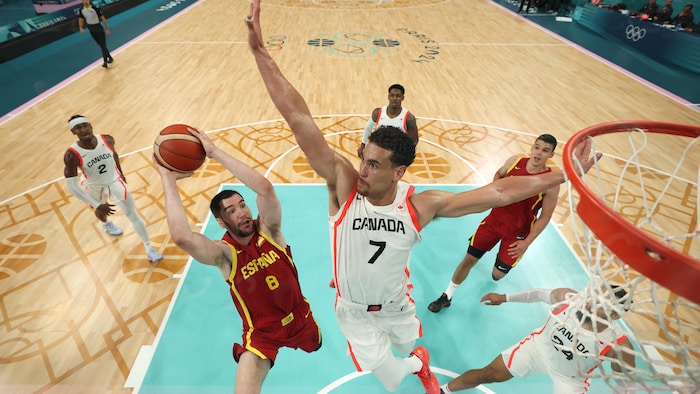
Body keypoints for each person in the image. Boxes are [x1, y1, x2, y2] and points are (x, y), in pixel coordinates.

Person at [245, 1, 601, 393]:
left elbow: (498, 192)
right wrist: (261, 54)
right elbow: (299, 119)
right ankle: (416, 365)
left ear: (399, 172)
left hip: (399, 303)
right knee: (389, 378)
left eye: (375, 165)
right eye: (364, 160)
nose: (363, 170)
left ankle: (416, 356)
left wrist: (564, 174)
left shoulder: (420, 204)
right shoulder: (345, 186)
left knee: (404, 343)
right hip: (354, 312)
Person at [154, 127, 322, 393]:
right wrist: (167, 177)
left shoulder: (270, 231)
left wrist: (215, 153)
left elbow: (265, 189)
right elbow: (182, 237)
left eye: (242, 205)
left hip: (301, 319)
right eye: (232, 211)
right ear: (221, 222)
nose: (242, 212)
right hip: (262, 336)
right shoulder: (224, 254)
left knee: (316, 345)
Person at [427, 134, 560, 313]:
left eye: (545, 150)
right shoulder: (515, 161)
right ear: (532, 147)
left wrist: (526, 243)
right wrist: (494, 192)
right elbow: (500, 173)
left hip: (517, 234)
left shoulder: (550, 182)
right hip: (493, 223)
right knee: (469, 259)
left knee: (497, 276)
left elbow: (545, 216)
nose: (538, 153)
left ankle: (500, 264)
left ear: (551, 155)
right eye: (537, 147)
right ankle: (447, 296)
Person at [438, 286, 635, 393]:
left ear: (616, 315)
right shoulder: (570, 299)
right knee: (489, 374)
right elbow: (539, 294)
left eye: (601, 304)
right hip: (538, 349)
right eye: (594, 297)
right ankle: (442, 391)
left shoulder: (618, 346)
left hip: (569, 378)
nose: (591, 304)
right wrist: (504, 297)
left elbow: (626, 381)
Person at [63, 115, 163, 263]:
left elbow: (114, 154)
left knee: (132, 213)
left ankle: (149, 248)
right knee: (100, 212)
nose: (83, 129)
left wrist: (120, 173)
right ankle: (105, 223)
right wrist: (98, 205)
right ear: (73, 132)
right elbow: (71, 186)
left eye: (85, 125)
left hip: (114, 182)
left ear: (91, 125)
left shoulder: (107, 139)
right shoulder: (72, 154)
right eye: (78, 128)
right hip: (93, 186)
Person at [357, 84, 419, 158]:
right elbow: (368, 128)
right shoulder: (378, 112)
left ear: (402, 98)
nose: (394, 98)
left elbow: (413, 141)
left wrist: (406, 155)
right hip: (378, 151)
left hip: (395, 155)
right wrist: (363, 145)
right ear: (388, 96)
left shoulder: (409, 118)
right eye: (392, 95)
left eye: (398, 96)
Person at [78, 0, 113, 68]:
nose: (85, 1)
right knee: (101, 45)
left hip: (98, 28)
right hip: (91, 29)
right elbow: (81, 19)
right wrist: (81, 27)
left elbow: (103, 18)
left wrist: (107, 28)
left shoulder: (95, 8)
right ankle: (110, 57)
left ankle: (105, 62)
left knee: (103, 45)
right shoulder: (81, 10)